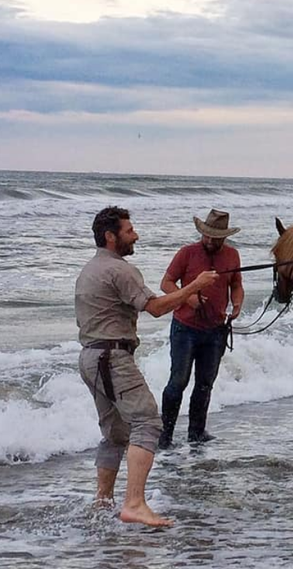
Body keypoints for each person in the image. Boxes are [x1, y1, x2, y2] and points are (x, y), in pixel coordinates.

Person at [76, 206, 218, 527]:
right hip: (111, 357)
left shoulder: (90, 268)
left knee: (115, 433)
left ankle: (103, 502)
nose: (135, 235)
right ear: (110, 237)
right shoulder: (120, 270)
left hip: (90, 357)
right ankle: (135, 504)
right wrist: (194, 287)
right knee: (148, 424)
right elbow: (155, 307)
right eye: (129, 231)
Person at [158, 209, 244, 449]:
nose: (209, 240)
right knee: (178, 381)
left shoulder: (232, 255)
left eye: (215, 237)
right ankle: (165, 435)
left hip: (216, 329)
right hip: (185, 327)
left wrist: (237, 304)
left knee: (205, 383)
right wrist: (187, 298)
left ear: (224, 237)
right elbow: (166, 283)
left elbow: (236, 285)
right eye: (206, 235)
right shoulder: (187, 253)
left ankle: (196, 433)